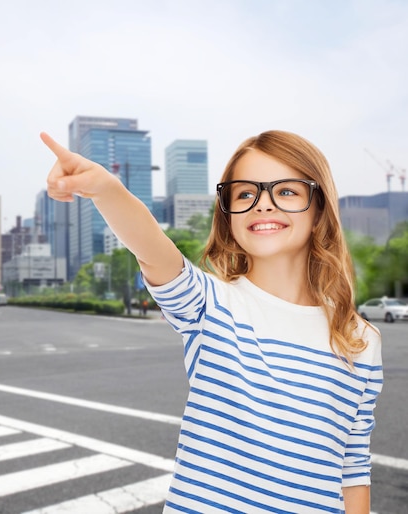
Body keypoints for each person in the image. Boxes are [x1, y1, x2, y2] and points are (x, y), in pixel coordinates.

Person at [41, 130, 383, 514]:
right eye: (244, 194)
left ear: (319, 207)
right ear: (228, 215)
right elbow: (151, 247)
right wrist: (104, 188)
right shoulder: (209, 303)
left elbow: (353, 466)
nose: (263, 205)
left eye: (286, 191)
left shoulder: (361, 340)